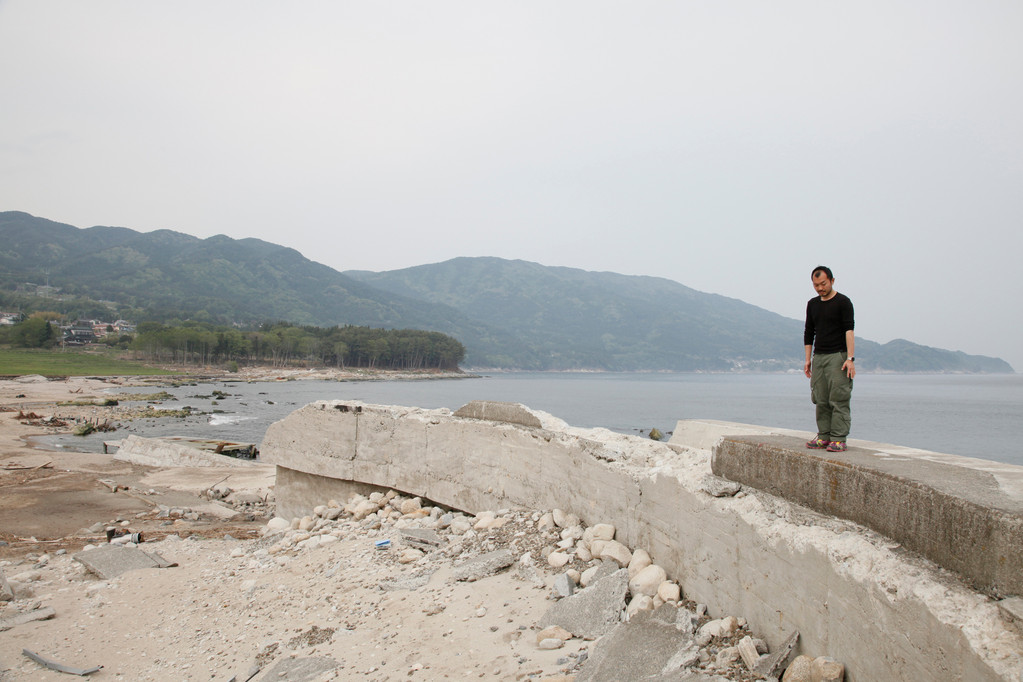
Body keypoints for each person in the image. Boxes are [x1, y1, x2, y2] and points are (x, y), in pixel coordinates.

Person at [803, 265, 855, 452]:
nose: (819, 288)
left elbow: (849, 330)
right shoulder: (813, 304)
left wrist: (850, 358)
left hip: (838, 356)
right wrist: (808, 359)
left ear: (832, 281)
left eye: (823, 284)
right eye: (816, 285)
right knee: (821, 398)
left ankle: (839, 438)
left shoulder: (843, 302)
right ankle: (824, 435)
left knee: (839, 397)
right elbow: (809, 333)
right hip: (819, 356)